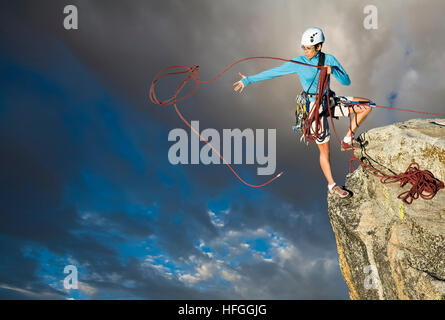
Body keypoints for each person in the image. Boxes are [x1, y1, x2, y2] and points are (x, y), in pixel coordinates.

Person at [233, 27, 372, 198]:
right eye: (304, 47)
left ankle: (347, 139)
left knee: (366, 106)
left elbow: (346, 81)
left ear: (319, 46)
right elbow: (274, 73)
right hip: (313, 107)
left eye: (309, 48)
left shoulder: (329, 59)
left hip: (329, 100)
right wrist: (248, 80)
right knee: (324, 151)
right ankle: (332, 185)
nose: (305, 51)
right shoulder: (298, 62)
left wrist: (332, 70)